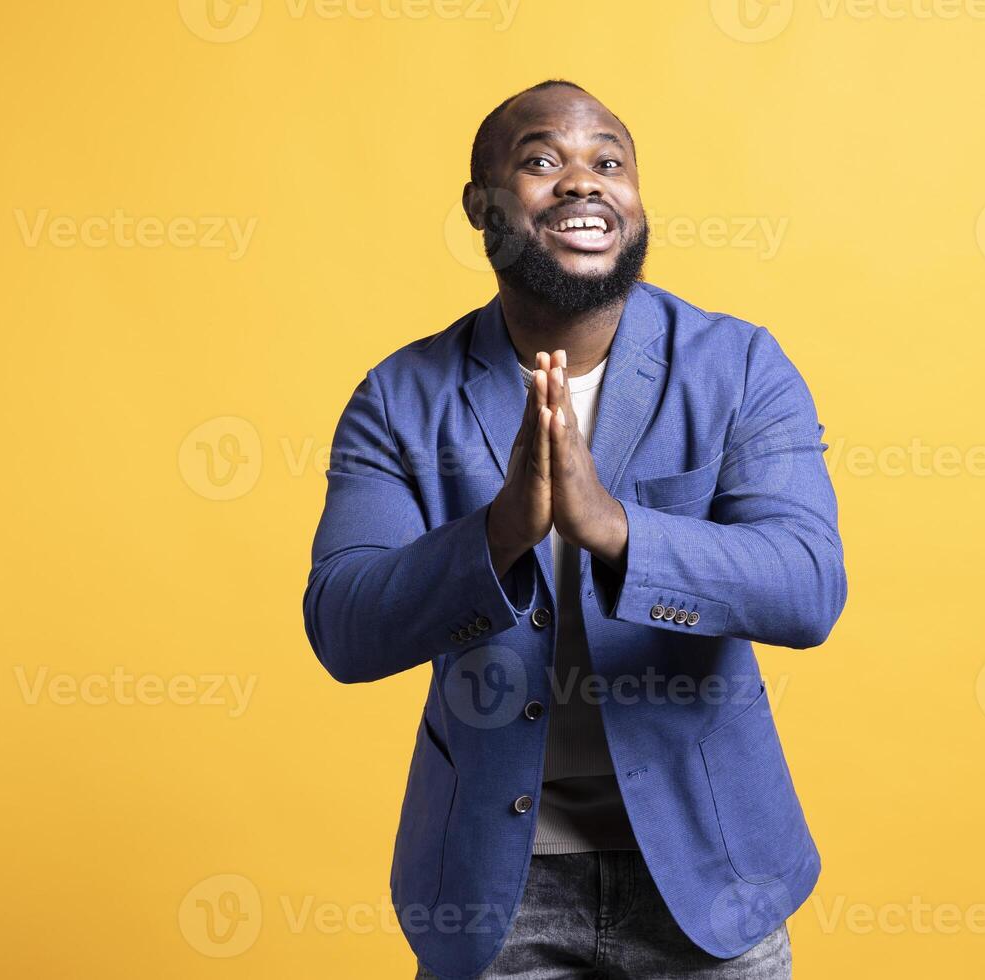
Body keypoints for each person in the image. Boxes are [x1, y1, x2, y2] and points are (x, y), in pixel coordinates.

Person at [303, 78, 847, 980]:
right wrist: (499, 533)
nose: (582, 183)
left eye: (609, 163)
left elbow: (805, 586)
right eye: (542, 161)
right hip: (490, 889)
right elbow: (345, 628)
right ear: (482, 208)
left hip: (712, 876)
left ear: (635, 201)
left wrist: (617, 528)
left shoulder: (741, 365)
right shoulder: (398, 397)